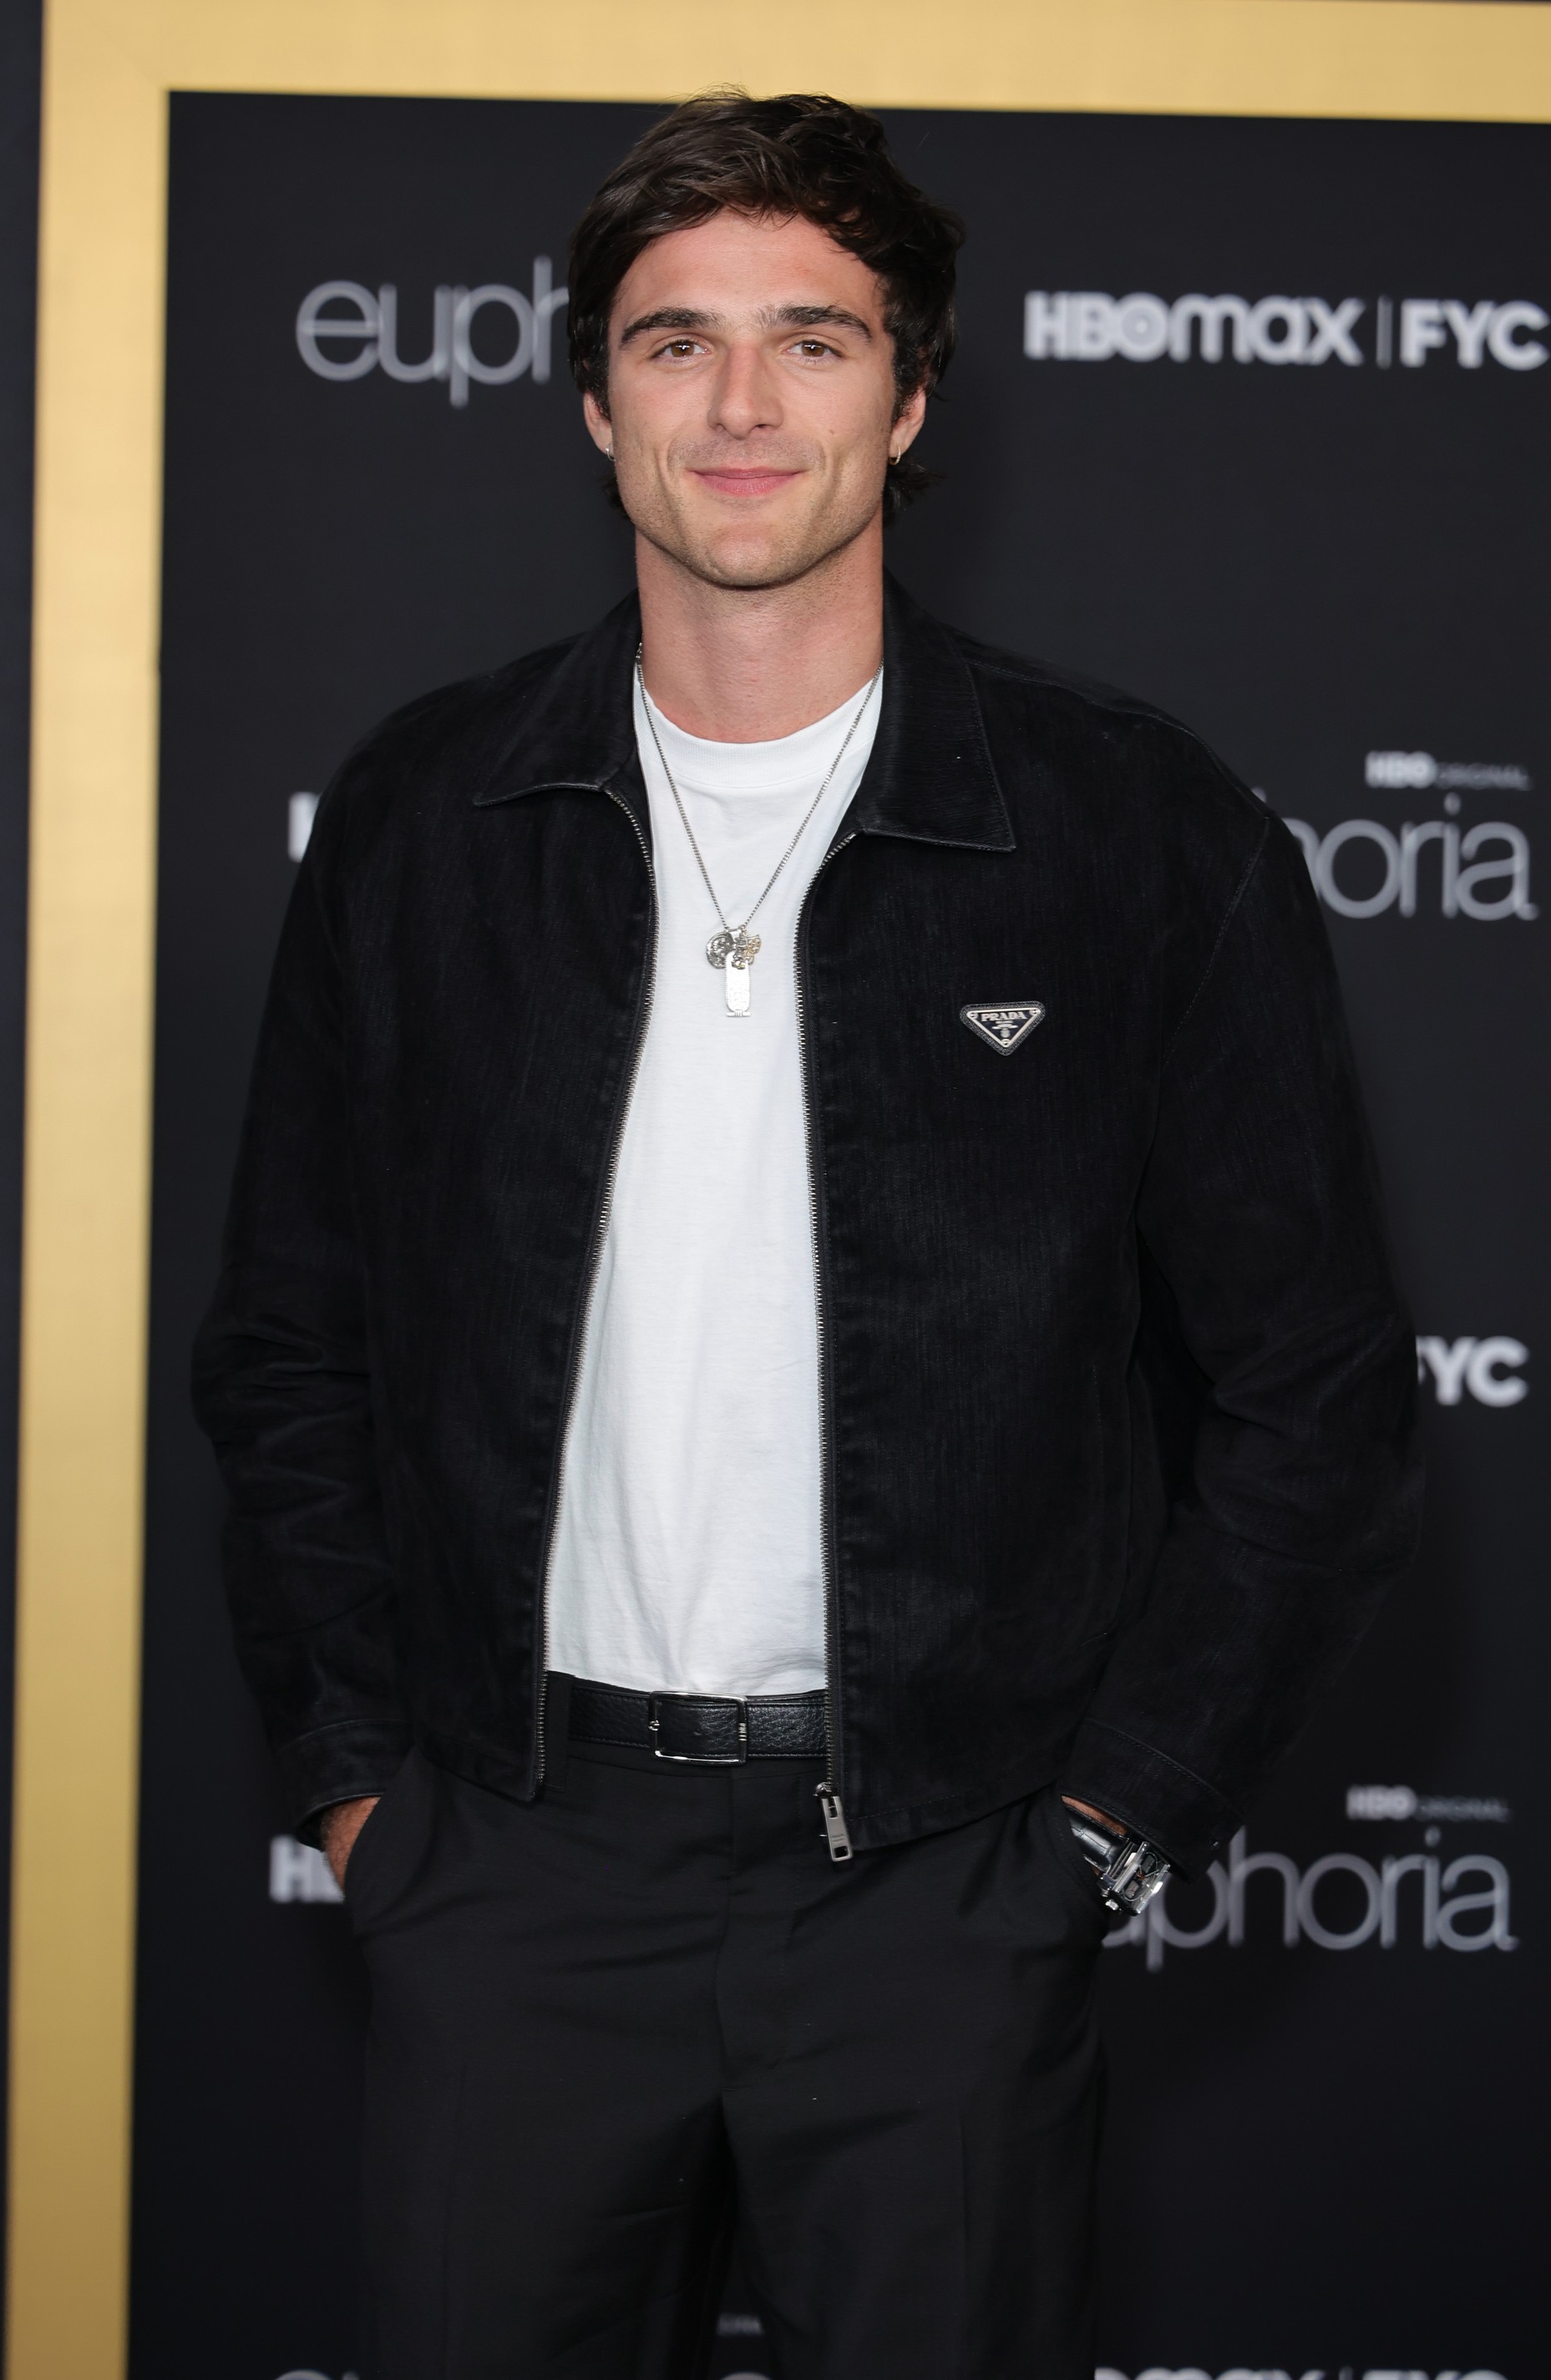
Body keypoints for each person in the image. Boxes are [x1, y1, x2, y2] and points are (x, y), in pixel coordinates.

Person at [194, 91, 1421, 2380]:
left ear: (912, 394)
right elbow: (287, 1346)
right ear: (593, 399)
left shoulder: (1133, 831)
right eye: (676, 343)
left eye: (813, 340)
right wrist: (372, 1801)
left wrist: (1094, 1834)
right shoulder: (422, 817)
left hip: (941, 1883)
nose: (741, 403)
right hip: (515, 1868)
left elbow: (1317, 1394)